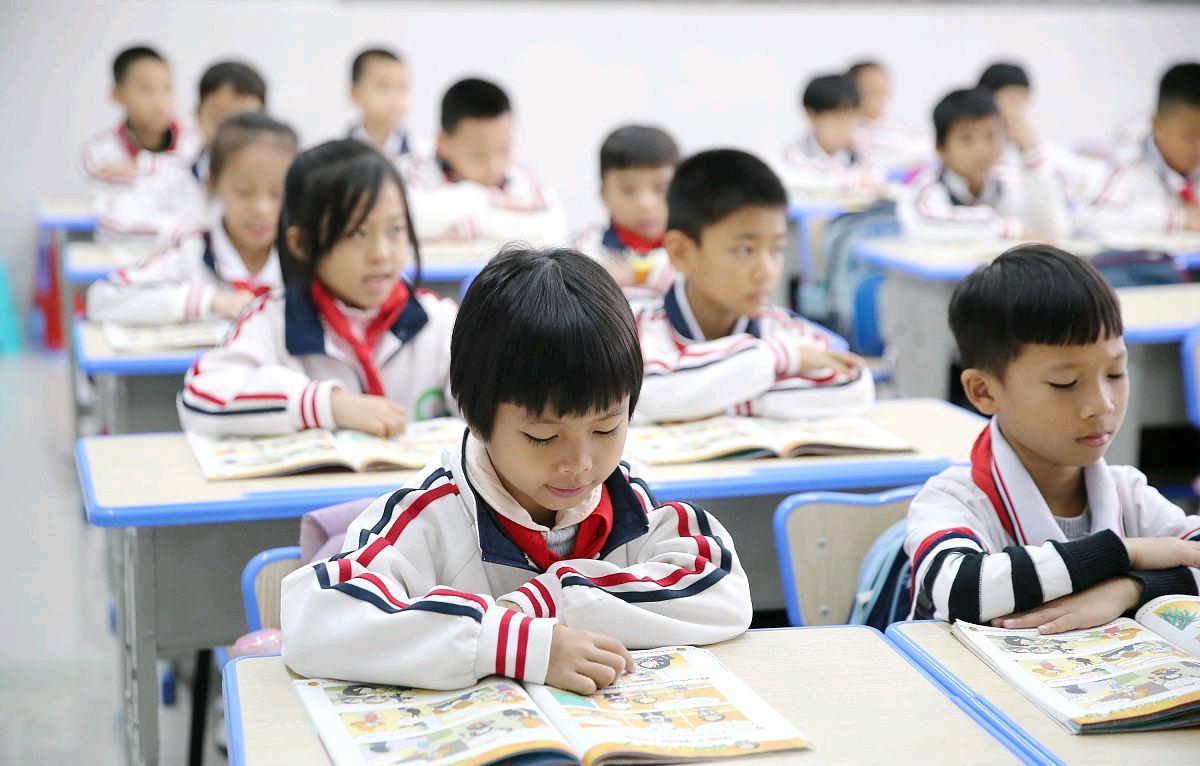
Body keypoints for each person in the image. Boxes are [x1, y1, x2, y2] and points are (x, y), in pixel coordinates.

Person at [280, 246, 752, 691]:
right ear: (475, 414)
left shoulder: (627, 503)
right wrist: (514, 644)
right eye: (543, 437)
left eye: (606, 429)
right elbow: (313, 617)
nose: (580, 465)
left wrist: (549, 603)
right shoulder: (432, 514)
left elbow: (723, 587)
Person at [905, 245, 1200, 631]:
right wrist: (1125, 552)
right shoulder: (954, 499)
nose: (1101, 404)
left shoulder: (1129, 493)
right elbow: (964, 590)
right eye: (1066, 383)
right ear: (983, 391)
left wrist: (1128, 589)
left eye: (1115, 373)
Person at [177, 139, 457, 435]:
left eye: (396, 229)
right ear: (302, 244)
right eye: (357, 233)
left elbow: (493, 404)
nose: (382, 253)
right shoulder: (272, 321)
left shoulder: (438, 322)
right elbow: (199, 396)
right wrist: (326, 405)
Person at [635, 149, 874, 422]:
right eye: (744, 250)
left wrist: (709, 403)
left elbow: (854, 385)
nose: (767, 272)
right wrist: (777, 357)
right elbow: (645, 395)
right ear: (680, 252)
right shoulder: (638, 329)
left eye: (777, 249)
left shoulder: (783, 328)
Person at [88, 113, 297, 325]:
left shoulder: (304, 260)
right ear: (212, 182)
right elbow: (102, 299)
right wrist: (208, 301)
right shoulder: (191, 252)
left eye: (278, 194)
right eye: (244, 191)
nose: (262, 209)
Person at [401, 77, 567, 243]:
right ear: (442, 143)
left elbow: (553, 227)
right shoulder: (411, 172)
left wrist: (478, 225)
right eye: (478, 155)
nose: (493, 167)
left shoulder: (518, 176)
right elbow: (410, 221)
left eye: (504, 150)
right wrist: (486, 200)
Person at [897, 87, 1068, 240]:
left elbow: (1052, 232)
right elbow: (931, 221)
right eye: (966, 139)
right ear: (940, 148)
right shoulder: (926, 191)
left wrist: (1032, 154)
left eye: (991, 136)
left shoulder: (1008, 181)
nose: (981, 149)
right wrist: (1008, 230)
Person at [572, 125, 680, 306]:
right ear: (604, 195)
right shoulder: (585, 253)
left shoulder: (698, 253)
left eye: (661, 188)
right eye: (628, 190)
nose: (646, 204)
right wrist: (596, 284)